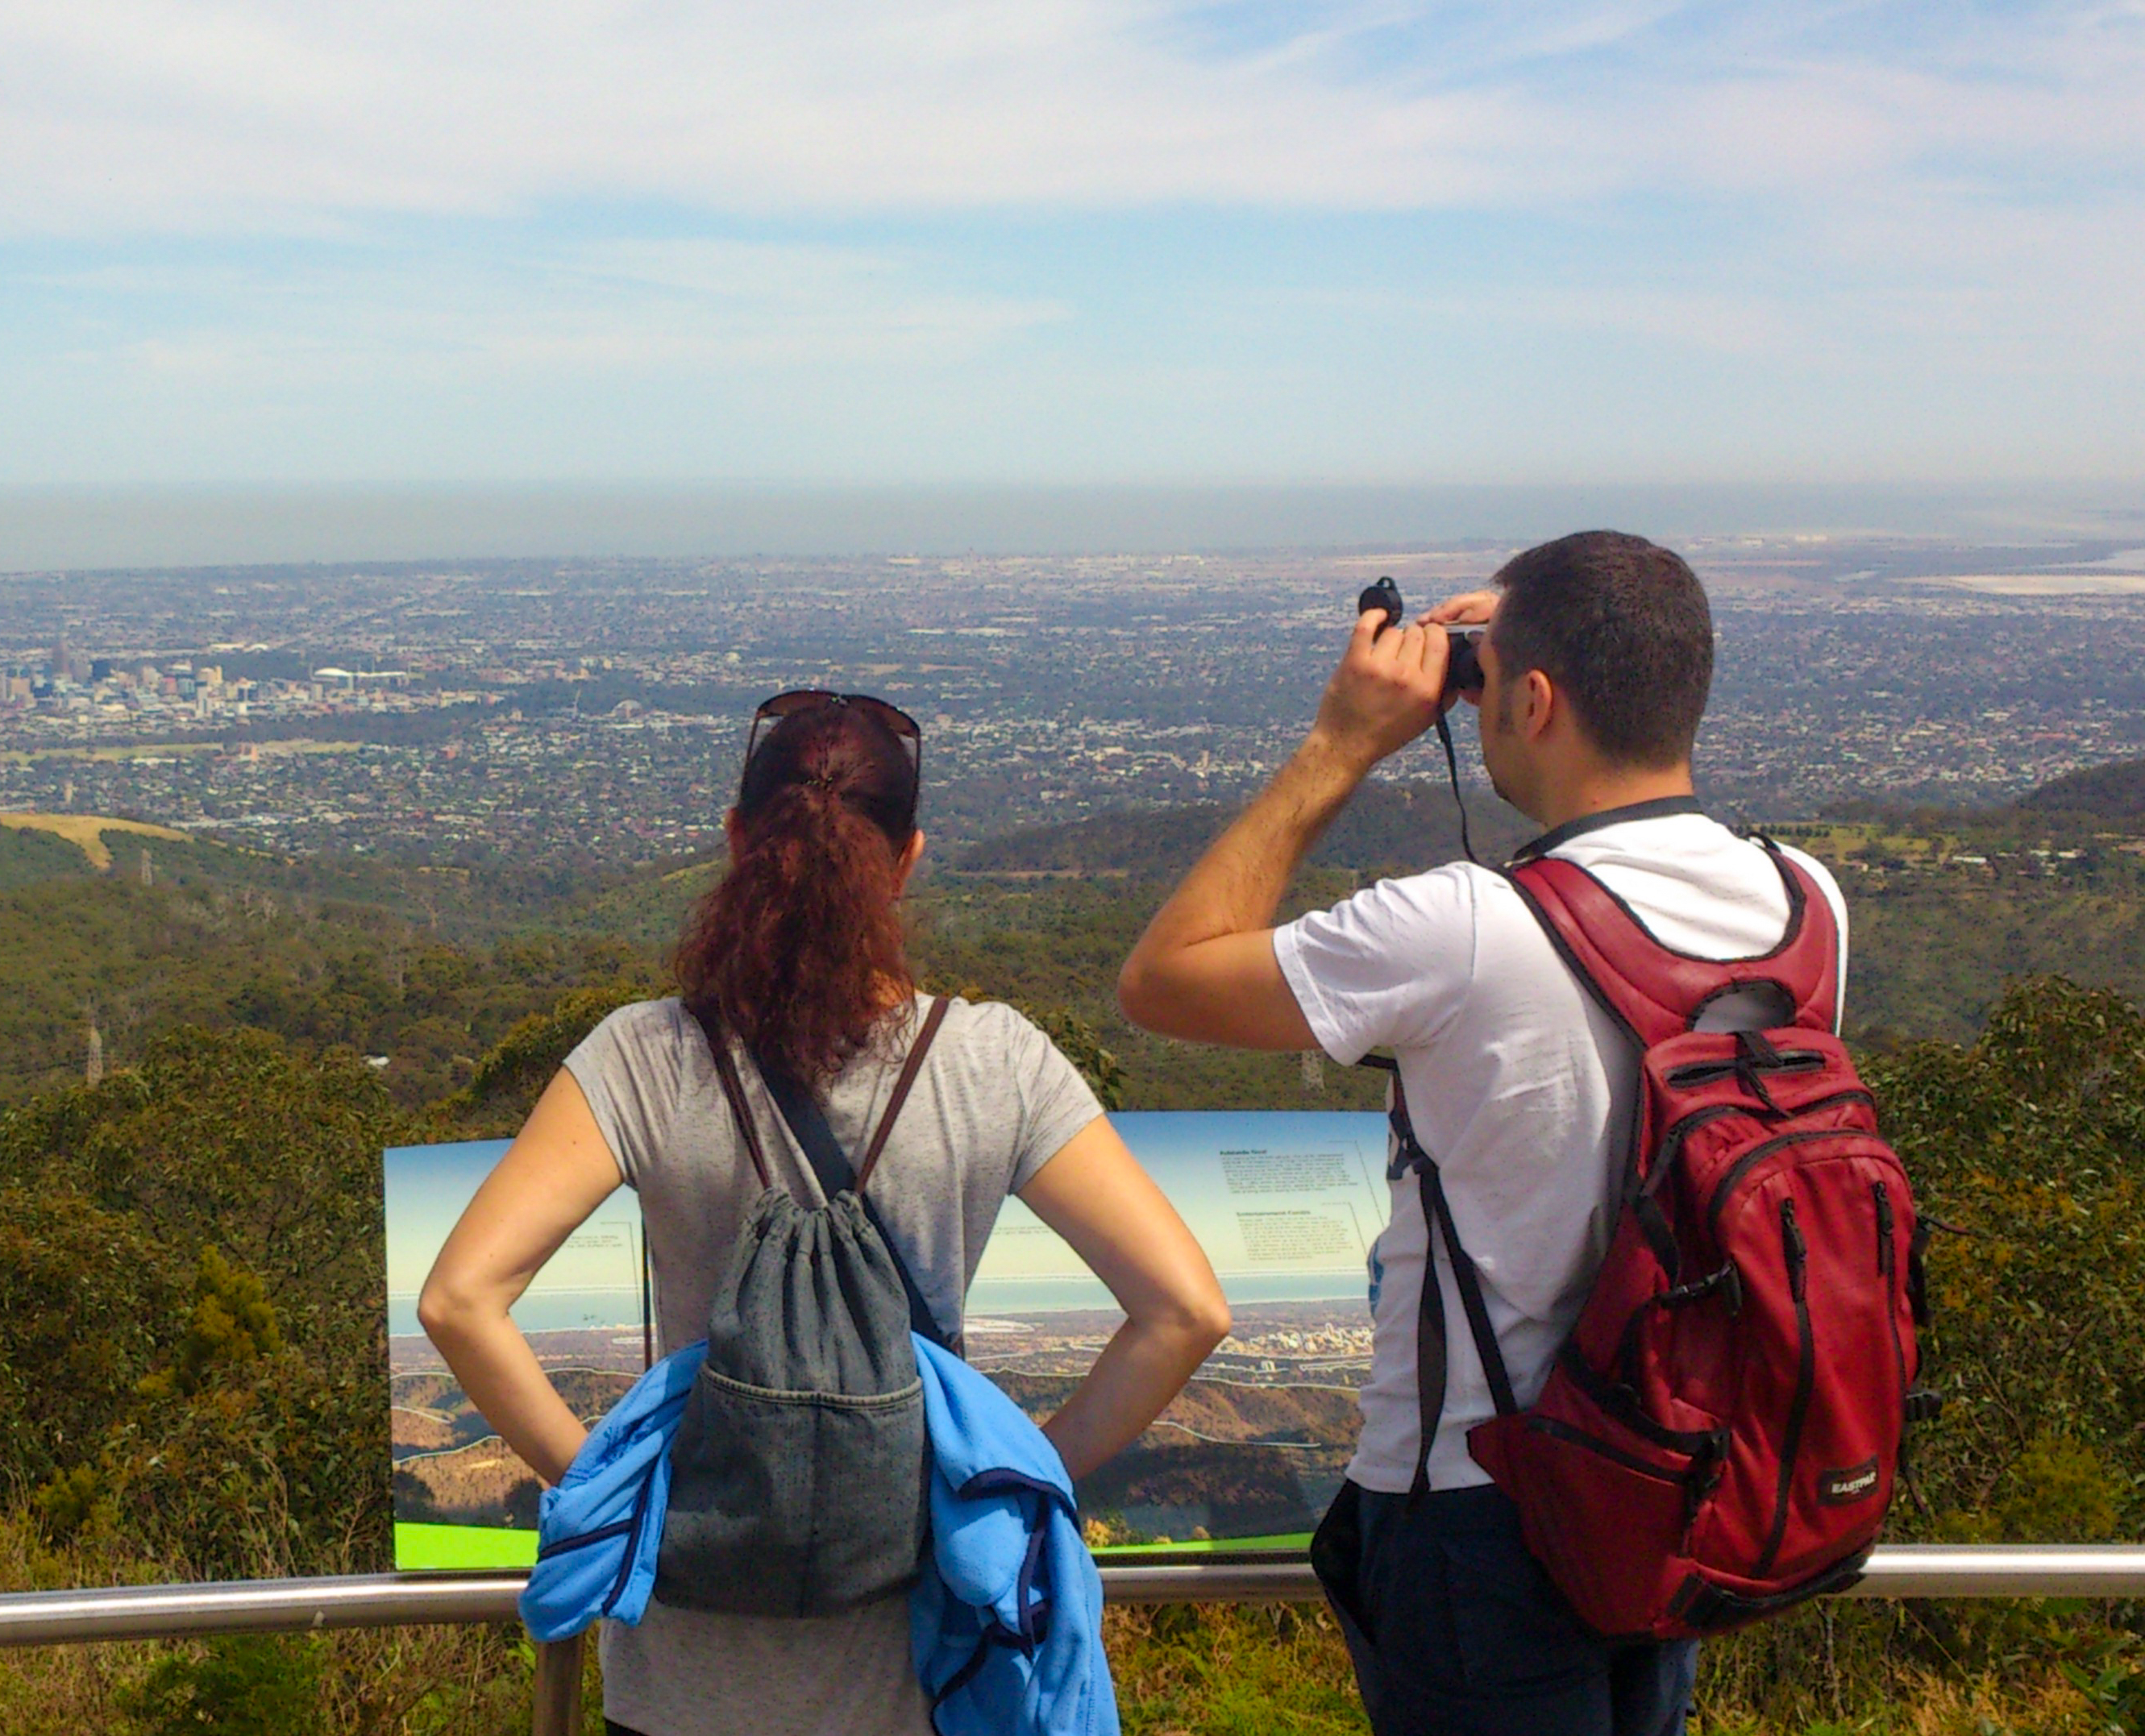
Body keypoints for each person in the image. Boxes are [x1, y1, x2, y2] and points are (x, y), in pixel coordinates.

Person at [1115, 531, 1849, 1736]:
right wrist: (1528, 635)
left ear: (1538, 701)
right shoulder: (1807, 903)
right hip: (1681, 1474)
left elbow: (1163, 978)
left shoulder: (1465, 929)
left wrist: (1344, 740)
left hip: (1481, 1507)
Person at [418, 690, 1229, 1736]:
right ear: (908, 860)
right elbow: (1186, 1310)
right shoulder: (993, 1062)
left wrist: (623, 1495)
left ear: (737, 842)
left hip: (684, 1684)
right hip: (916, 1676)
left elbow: (458, 1300)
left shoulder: (645, 1057)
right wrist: (1003, 1484)